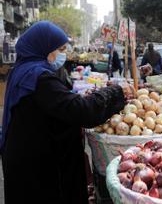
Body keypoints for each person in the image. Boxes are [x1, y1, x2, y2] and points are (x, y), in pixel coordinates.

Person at [1, 21, 133, 204]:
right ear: (45, 47)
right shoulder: (39, 77)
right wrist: (114, 92)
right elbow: (83, 112)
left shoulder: (22, 71)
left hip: (26, 160)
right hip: (39, 168)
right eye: (60, 49)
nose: (63, 54)